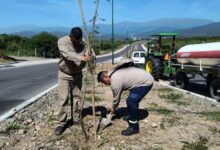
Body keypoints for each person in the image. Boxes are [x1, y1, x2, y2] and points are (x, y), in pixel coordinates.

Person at [97, 63, 154, 136]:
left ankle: (134, 127)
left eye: (104, 82)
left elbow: (116, 98)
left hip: (145, 82)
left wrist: (113, 108)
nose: (105, 84)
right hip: (142, 79)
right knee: (131, 100)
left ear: (105, 77)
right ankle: (132, 115)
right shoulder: (112, 72)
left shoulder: (115, 81)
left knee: (131, 101)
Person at [55, 27, 92, 135]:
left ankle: (75, 118)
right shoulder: (62, 41)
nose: (78, 43)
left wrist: (90, 56)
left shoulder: (83, 43)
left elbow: (91, 54)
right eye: (76, 41)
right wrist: (81, 57)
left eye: (79, 40)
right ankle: (61, 123)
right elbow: (67, 54)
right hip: (64, 74)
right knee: (63, 98)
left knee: (77, 97)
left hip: (77, 74)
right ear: (70, 36)